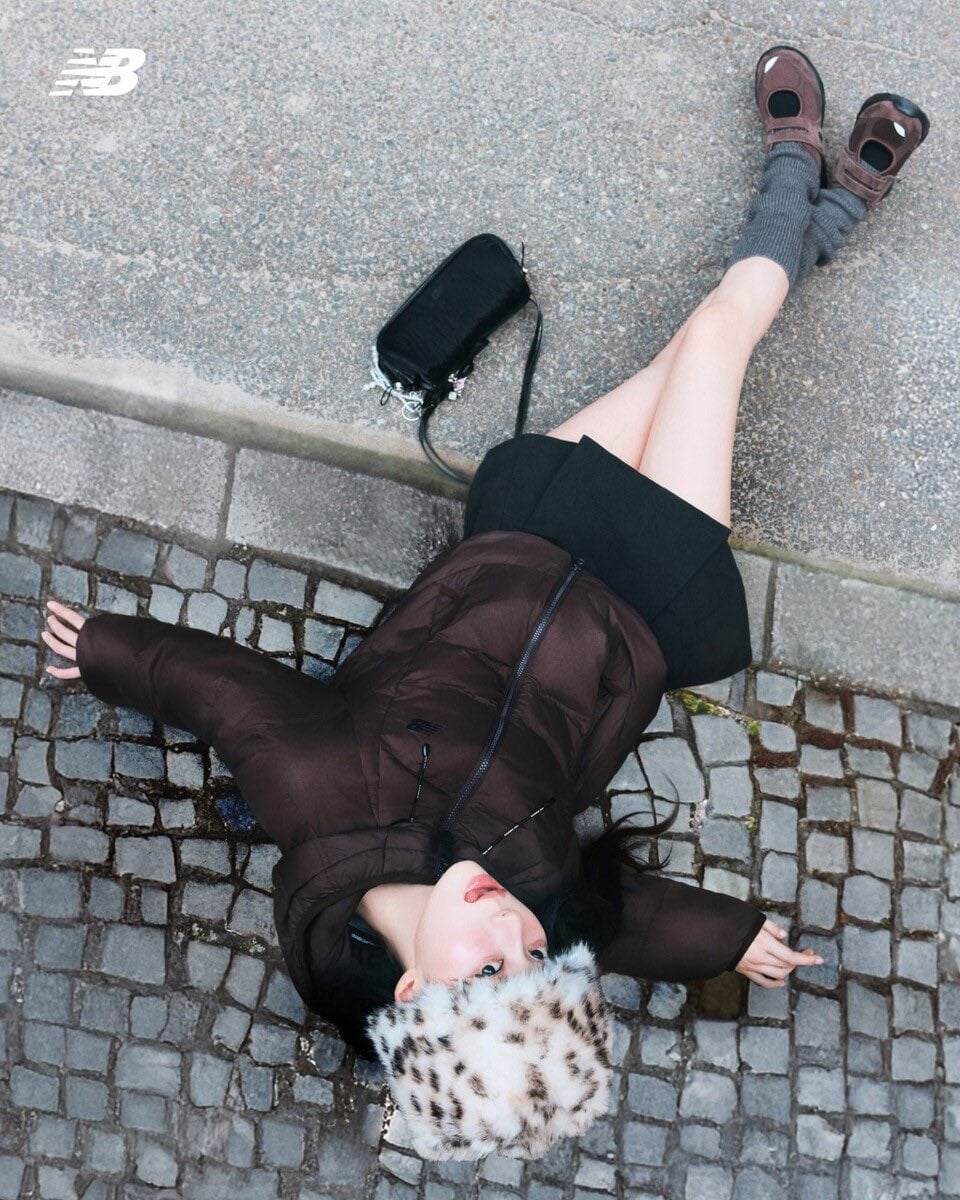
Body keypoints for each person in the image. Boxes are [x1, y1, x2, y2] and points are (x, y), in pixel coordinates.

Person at [38, 45, 929, 1161]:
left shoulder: (315, 792)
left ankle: (830, 209)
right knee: (713, 340)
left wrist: (110, 651)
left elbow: (224, 696)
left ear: (411, 989)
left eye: (491, 967)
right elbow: (621, 921)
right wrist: (730, 937)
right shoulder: (534, 907)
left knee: (703, 343)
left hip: (517, 549)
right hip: (639, 609)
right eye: (532, 961)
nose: (514, 927)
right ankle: (799, 172)